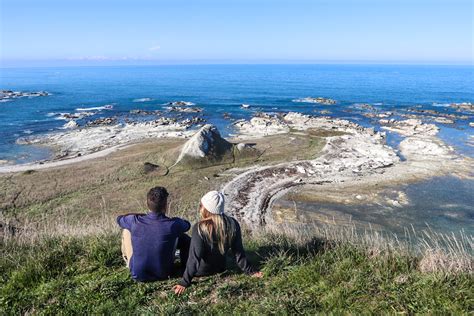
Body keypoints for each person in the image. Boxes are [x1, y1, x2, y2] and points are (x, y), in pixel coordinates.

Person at [173, 191, 263, 294]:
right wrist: (251, 271)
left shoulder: (200, 228)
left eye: (201, 205)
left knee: (184, 240)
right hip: (220, 267)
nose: (200, 207)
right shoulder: (232, 224)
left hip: (200, 271)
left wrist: (184, 282)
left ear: (206, 209)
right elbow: (238, 253)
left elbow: (195, 258)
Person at [117, 186, 191, 282]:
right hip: (165, 273)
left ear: (147, 204)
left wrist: (139, 215)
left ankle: (129, 262)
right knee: (181, 236)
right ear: (165, 206)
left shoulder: (134, 221)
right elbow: (187, 225)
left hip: (138, 275)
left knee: (127, 230)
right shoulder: (172, 224)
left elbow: (119, 219)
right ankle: (183, 264)